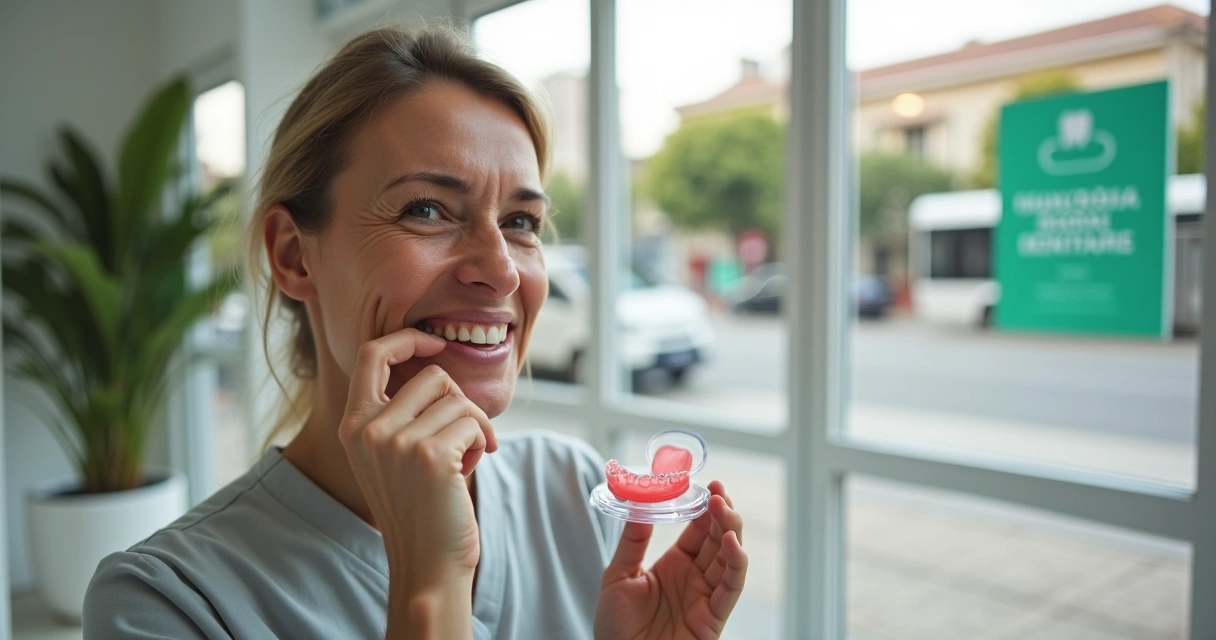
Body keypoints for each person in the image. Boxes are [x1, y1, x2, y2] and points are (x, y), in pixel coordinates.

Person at [83, 24, 747, 640]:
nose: (501, 272)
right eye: (427, 210)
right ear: (293, 254)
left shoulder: (568, 492)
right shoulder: (166, 602)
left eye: (521, 222)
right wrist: (430, 591)